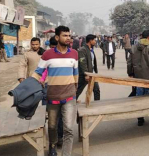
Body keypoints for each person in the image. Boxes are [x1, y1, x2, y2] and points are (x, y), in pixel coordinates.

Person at [32, 26, 78, 156]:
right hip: (52, 97)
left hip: (69, 97)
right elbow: (38, 72)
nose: (68, 38)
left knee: (68, 128)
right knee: (52, 126)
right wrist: (28, 85)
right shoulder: (47, 55)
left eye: (69, 35)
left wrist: (74, 91)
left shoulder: (74, 54)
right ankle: (52, 146)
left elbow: (76, 74)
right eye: (65, 35)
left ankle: (66, 154)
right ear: (57, 37)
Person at [76, 34, 100, 101]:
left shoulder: (91, 49)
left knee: (96, 90)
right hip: (85, 75)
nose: (95, 42)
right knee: (78, 90)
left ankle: (97, 104)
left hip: (92, 74)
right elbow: (82, 63)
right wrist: (86, 74)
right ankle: (71, 103)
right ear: (90, 41)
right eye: (94, 40)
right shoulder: (82, 50)